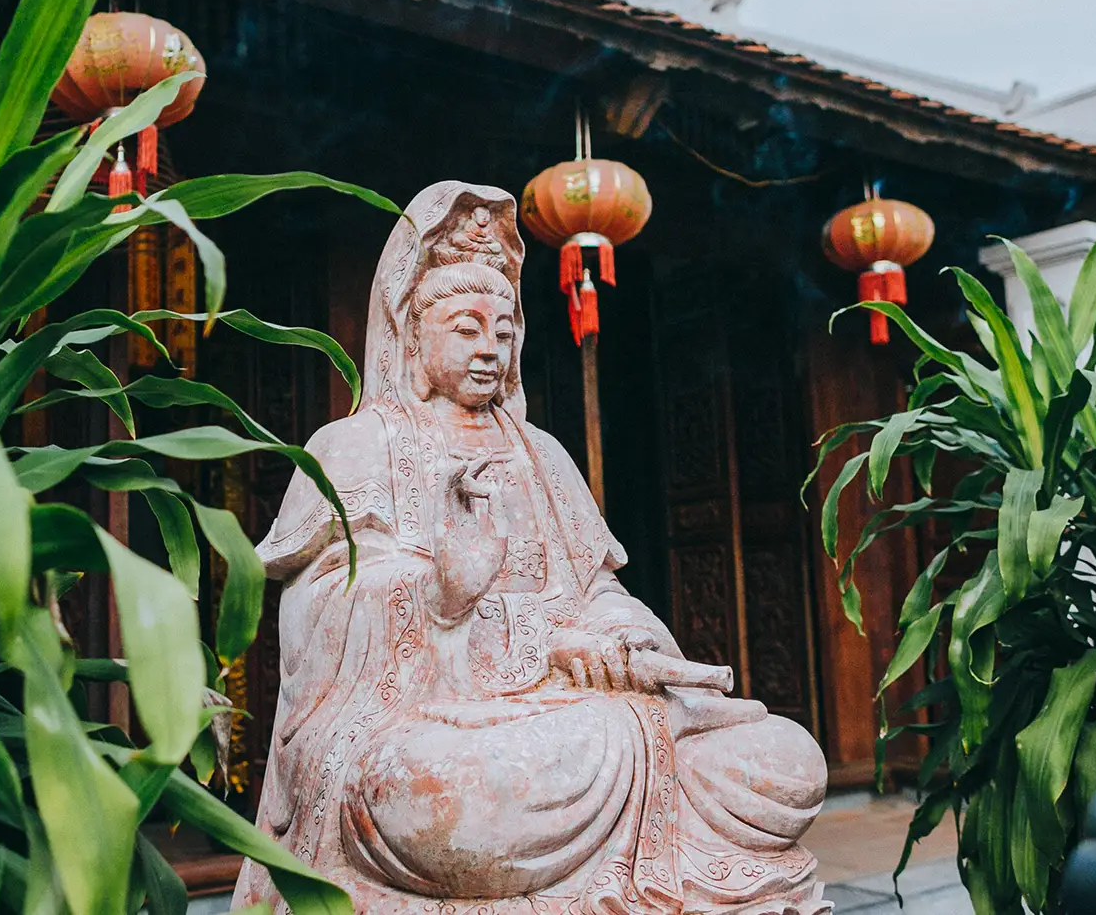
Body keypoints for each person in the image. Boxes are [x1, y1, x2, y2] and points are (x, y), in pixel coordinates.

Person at [234, 181, 830, 915]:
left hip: (582, 724)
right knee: (433, 795)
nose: (491, 348)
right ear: (412, 336)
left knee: (783, 760)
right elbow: (309, 621)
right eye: (466, 328)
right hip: (441, 734)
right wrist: (439, 590)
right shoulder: (357, 450)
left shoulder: (542, 454)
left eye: (506, 329)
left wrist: (614, 638)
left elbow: (600, 590)